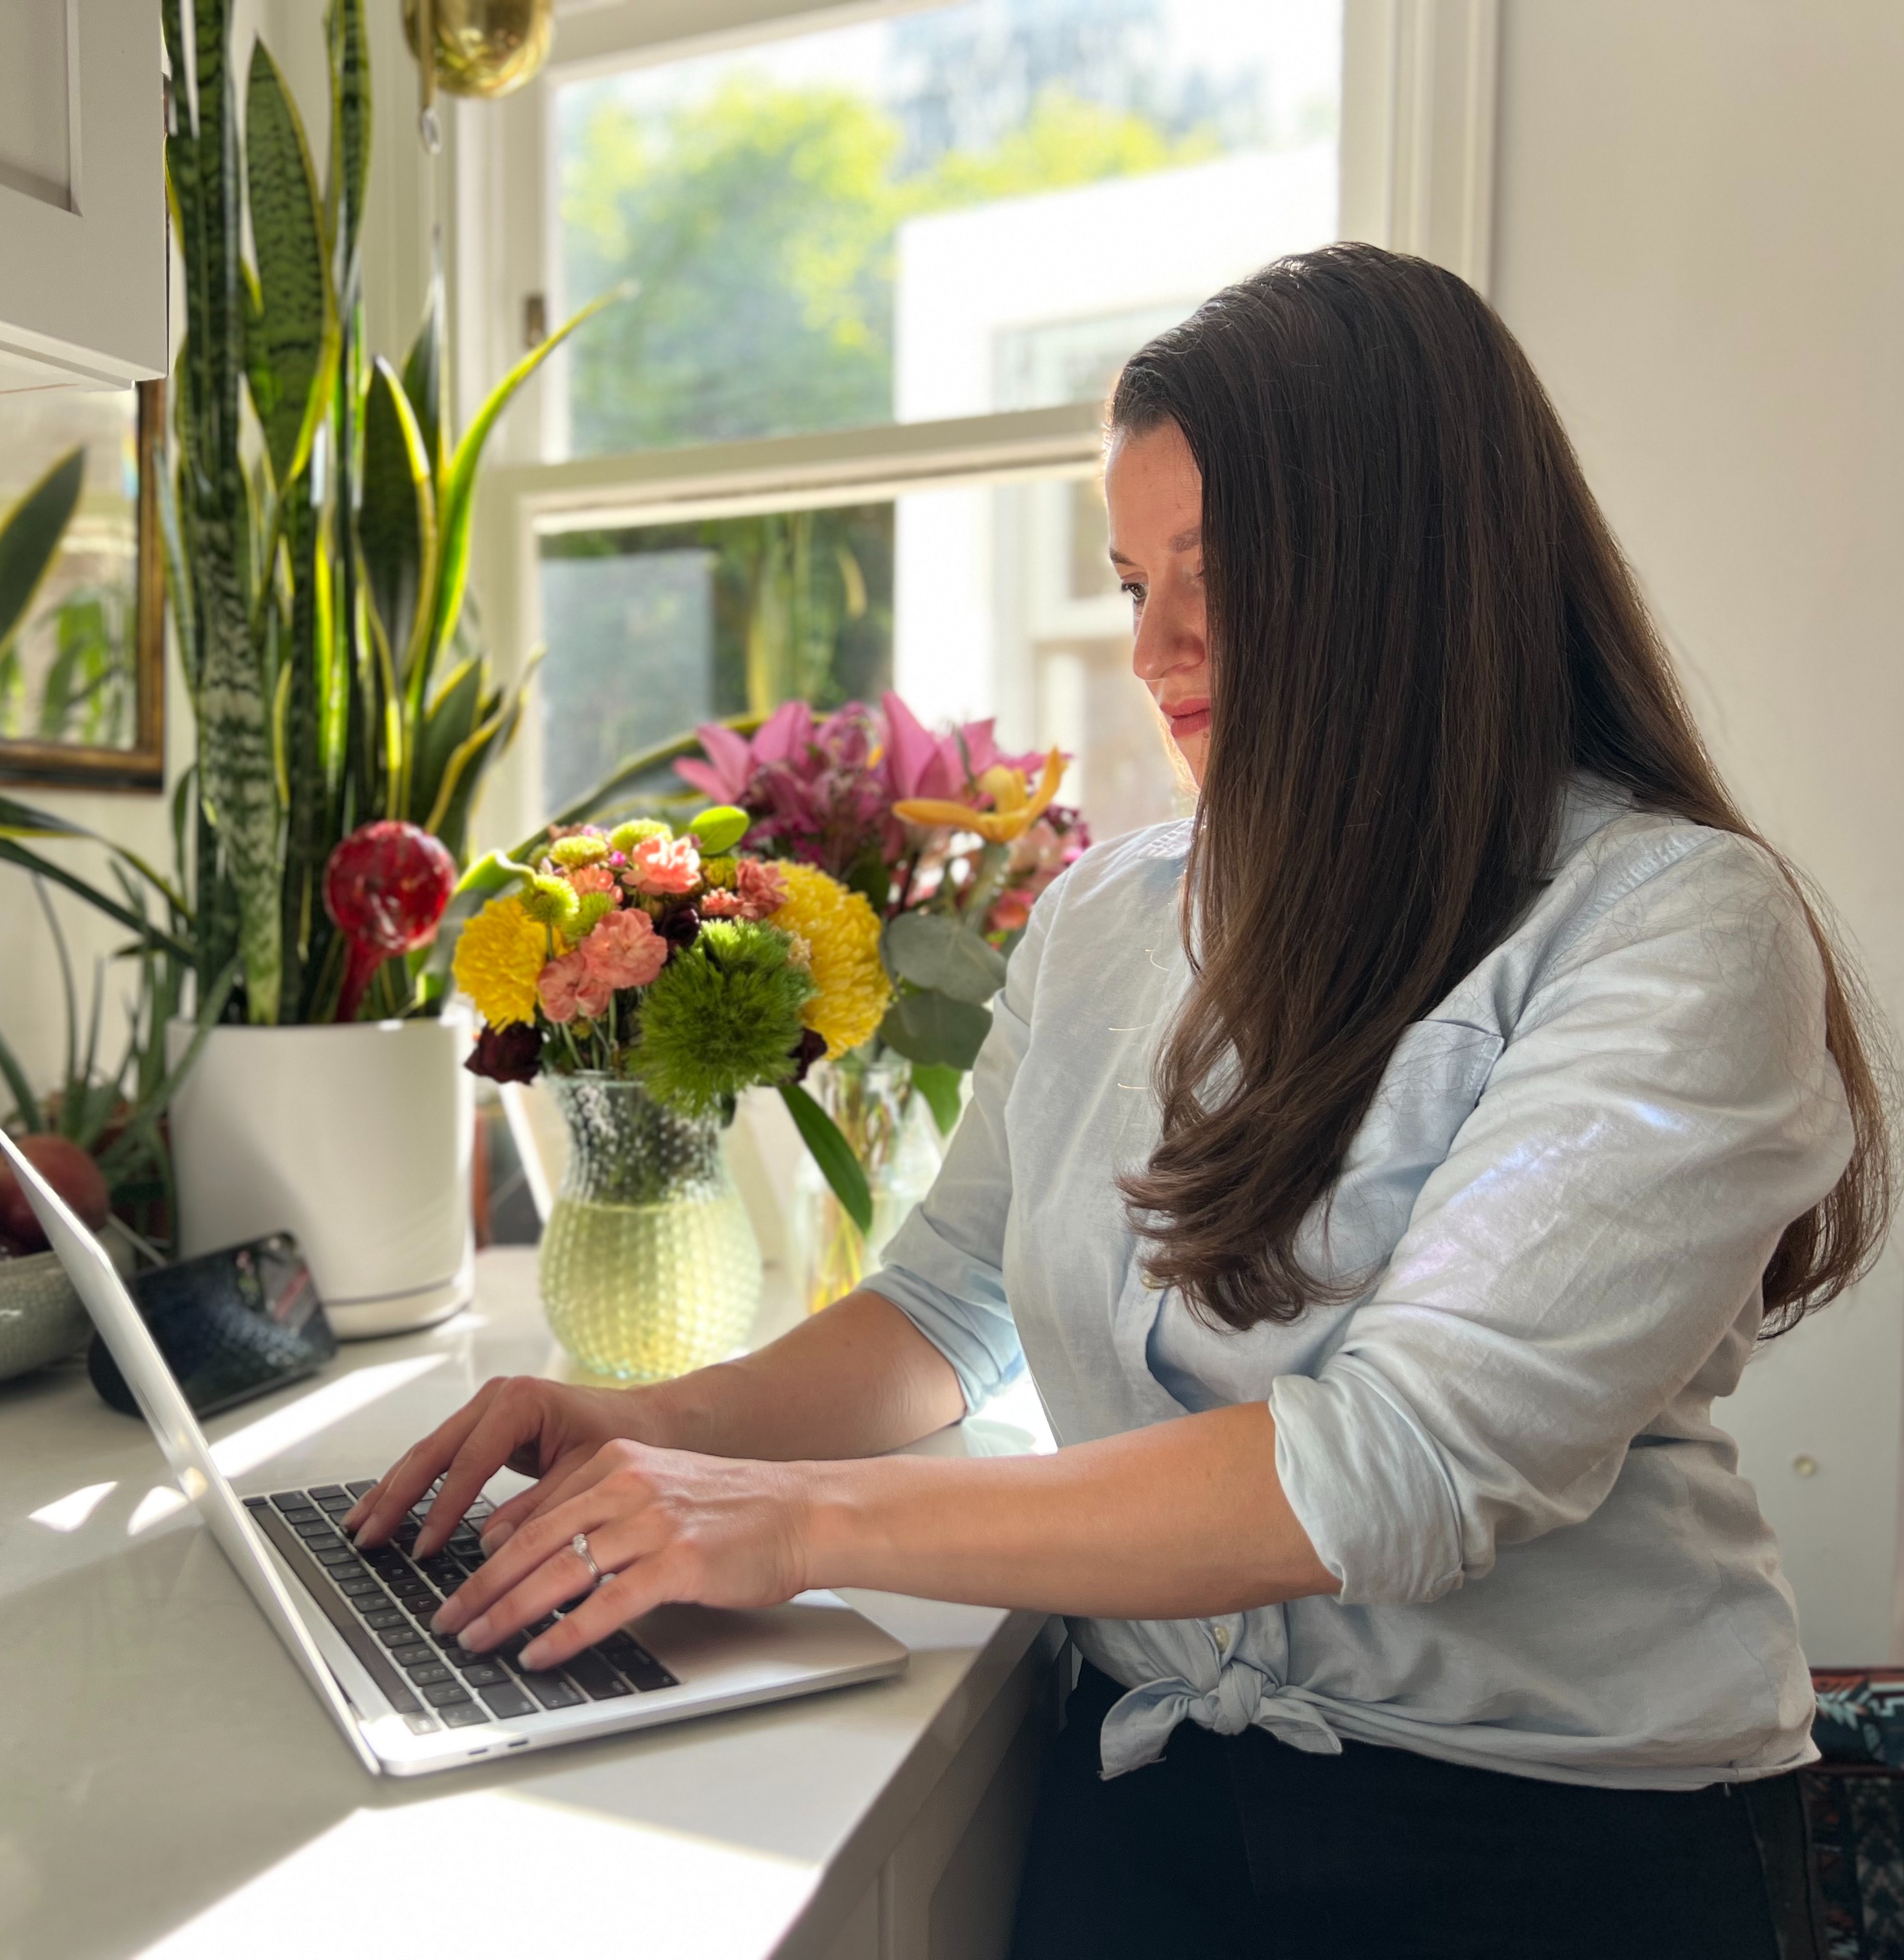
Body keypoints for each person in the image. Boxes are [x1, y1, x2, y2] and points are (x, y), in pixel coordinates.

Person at [344, 244, 1890, 1958]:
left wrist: (792, 1520)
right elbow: (943, 1306)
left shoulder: (1672, 926)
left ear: (1417, 578)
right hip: (1142, 1789)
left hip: (1545, 1842)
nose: (1156, 643)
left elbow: (1397, 1467)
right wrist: (666, 1430)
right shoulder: (1103, 916)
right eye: (1131, 577)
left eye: (1218, 574)